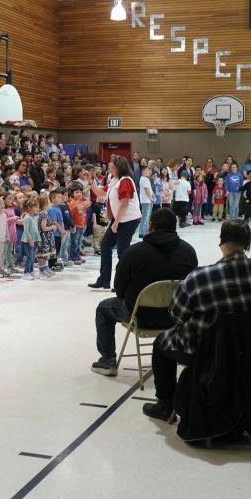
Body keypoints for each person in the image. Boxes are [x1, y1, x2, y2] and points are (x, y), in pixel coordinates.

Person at [142, 219, 251, 420]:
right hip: (250, 348)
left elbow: (176, 314)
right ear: (247, 243)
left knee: (161, 343)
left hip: (205, 349)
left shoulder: (200, 277)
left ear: (221, 241)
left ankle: (165, 403)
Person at [91, 208, 198, 376]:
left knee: (103, 308)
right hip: (176, 318)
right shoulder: (188, 252)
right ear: (175, 226)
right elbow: (192, 288)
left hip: (141, 316)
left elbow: (119, 290)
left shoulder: (134, 252)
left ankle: (107, 360)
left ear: (150, 226)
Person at [90, 156, 142, 290]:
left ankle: (122, 283)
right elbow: (101, 193)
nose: (108, 167)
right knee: (105, 245)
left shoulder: (125, 181)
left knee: (122, 252)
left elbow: (125, 204)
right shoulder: (114, 180)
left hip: (128, 219)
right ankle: (104, 280)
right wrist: (91, 182)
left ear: (118, 167)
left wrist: (116, 223)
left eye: (110, 165)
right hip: (119, 218)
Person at [137, 165, 155, 236]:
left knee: (148, 216)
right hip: (145, 200)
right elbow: (146, 189)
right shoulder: (143, 179)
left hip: (148, 200)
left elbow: (149, 188)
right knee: (145, 216)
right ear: (143, 171)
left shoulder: (146, 179)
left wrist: (152, 194)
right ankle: (142, 232)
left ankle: (146, 231)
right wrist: (150, 197)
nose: (149, 172)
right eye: (147, 170)